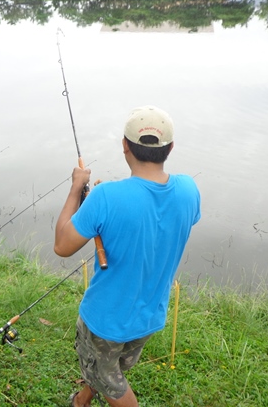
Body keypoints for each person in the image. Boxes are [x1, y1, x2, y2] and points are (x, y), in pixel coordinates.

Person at [54, 105, 201, 407]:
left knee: (111, 380)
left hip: (106, 320)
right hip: (148, 317)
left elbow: (62, 246)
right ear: (170, 148)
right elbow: (156, 218)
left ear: (124, 145)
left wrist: (76, 188)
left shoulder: (106, 196)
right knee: (111, 367)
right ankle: (81, 400)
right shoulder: (189, 190)